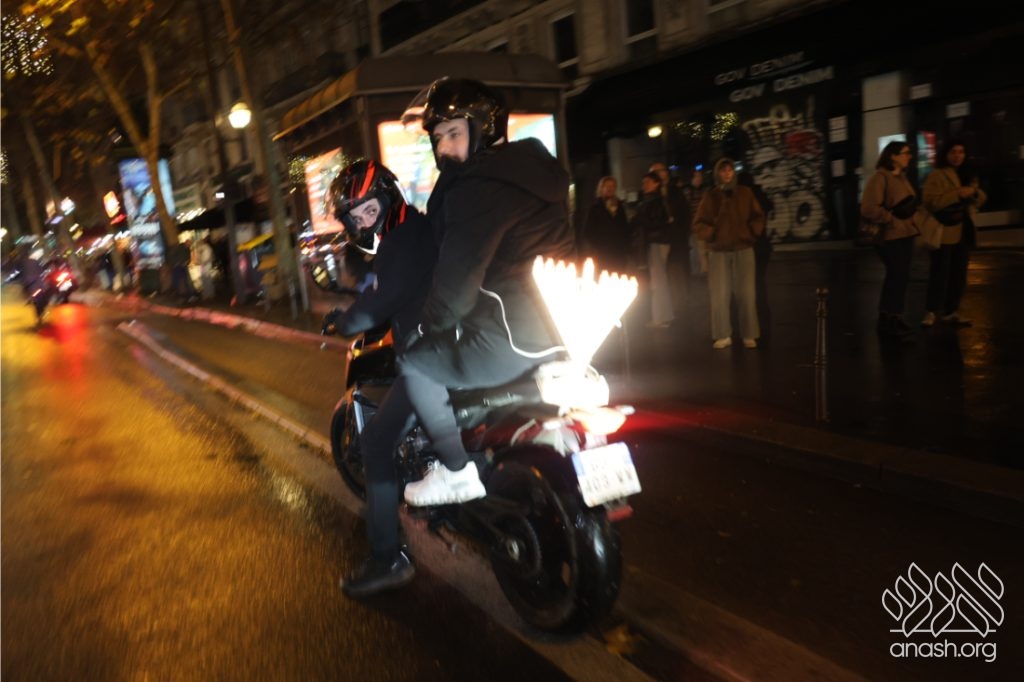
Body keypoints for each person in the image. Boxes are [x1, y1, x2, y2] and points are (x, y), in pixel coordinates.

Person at [397, 77, 575, 507]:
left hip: (513, 337)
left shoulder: (476, 188)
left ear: (483, 130)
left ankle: (456, 472)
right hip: (567, 328)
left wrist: (426, 326)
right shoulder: (533, 171)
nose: (444, 148)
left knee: (416, 362)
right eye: (438, 138)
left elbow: (457, 283)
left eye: (454, 133)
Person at [320, 160, 438, 598]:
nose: (366, 222)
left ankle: (387, 558)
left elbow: (380, 301)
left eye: (370, 210)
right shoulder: (419, 228)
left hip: (431, 359)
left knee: (375, 443)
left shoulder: (401, 239)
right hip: (461, 345)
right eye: (357, 218)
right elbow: (391, 291)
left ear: (389, 198)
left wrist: (345, 321)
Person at [692, 157, 766, 349]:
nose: (726, 173)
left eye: (729, 170)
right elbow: (699, 223)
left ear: (734, 172)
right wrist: (712, 234)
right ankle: (723, 334)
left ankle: (749, 333)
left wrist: (751, 233)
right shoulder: (711, 196)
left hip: (743, 247)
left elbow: (758, 216)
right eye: (723, 170)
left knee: (747, 293)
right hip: (719, 250)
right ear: (718, 173)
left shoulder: (745, 193)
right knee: (719, 294)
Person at [921, 140, 987, 327]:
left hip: (964, 228)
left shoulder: (968, 174)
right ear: (946, 154)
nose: (957, 156)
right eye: (953, 152)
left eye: (961, 152)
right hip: (945, 229)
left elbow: (980, 199)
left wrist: (974, 193)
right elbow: (931, 202)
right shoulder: (937, 175)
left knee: (959, 273)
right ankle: (931, 311)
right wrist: (957, 194)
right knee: (939, 272)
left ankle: (951, 311)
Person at [860, 141, 921, 339]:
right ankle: (888, 319)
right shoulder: (880, 178)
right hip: (890, 236)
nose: (909, 156)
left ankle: (894, 316)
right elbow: (868, 208)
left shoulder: (902, 177)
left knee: (901, 276)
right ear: (893, 156)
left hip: (906, 234)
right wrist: (890, 218)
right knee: (896, 275)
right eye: (905, 153)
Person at [631, 171, 674, 328]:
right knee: (659, 280)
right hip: (657, 242)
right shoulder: (655, 200)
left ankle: (660, 318)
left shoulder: (654, 202)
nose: (645, 185)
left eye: (648, 182)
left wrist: (640, 219)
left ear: (656, 184)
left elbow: (655, 223)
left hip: (656, 242)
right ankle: (663, 316)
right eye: (644, 182)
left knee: (658, 281)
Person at [581, 176, 631, 274]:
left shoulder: (620, 206)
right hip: (602, 252)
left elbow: (624, 227)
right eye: (607, 186)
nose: (609, 189)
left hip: (618, 252)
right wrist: (598, 246)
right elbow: (588, 231)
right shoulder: (595, 208)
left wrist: (625, 245)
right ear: (601, 188)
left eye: (612, 186)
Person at [649, 162, 690, 276]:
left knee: (677, 272)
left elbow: (685, 214)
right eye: (652, 173)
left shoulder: (676, 191)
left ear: (665, 173)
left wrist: (683, 232)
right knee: (661, 274)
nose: (655, 175)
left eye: (658, 171)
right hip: (659, 240)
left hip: (677, 238)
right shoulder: (650, 193)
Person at [682, 165, 708, 276]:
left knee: (702, 248)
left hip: (703, 224)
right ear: (692, 178)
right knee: (696, 249)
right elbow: (686, 209)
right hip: (693, 225)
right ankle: (699, 270)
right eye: (697, 176)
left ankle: (702, 269)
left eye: (700, 176)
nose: (700, 178)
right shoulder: (687, 191)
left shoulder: (704, 190)